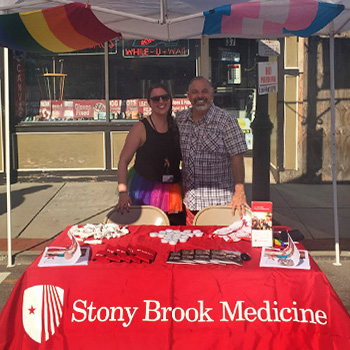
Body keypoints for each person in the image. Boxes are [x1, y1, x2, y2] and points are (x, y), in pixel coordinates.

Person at [176, 76, 249, 225]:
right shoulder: (180, 120)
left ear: (212, 94)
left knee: (219, 247)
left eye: (205, 91)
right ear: (188, 96)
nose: (200, 96)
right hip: (189, 204)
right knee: (193, 245)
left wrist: (240, 191)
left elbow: (237, 157)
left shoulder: (226, 121)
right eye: (195, 92)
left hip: (218, 204)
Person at [116, 83, 183, 225]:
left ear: (170, 100)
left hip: (172, 189)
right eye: (155, 99)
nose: (161, 102)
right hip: (145, 190)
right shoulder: (140, 128)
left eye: (164, 97)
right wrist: (122, 193)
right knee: (144, 232)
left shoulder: (176, 126)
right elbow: (123, 161)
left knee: (173, 233)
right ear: (149, 103)